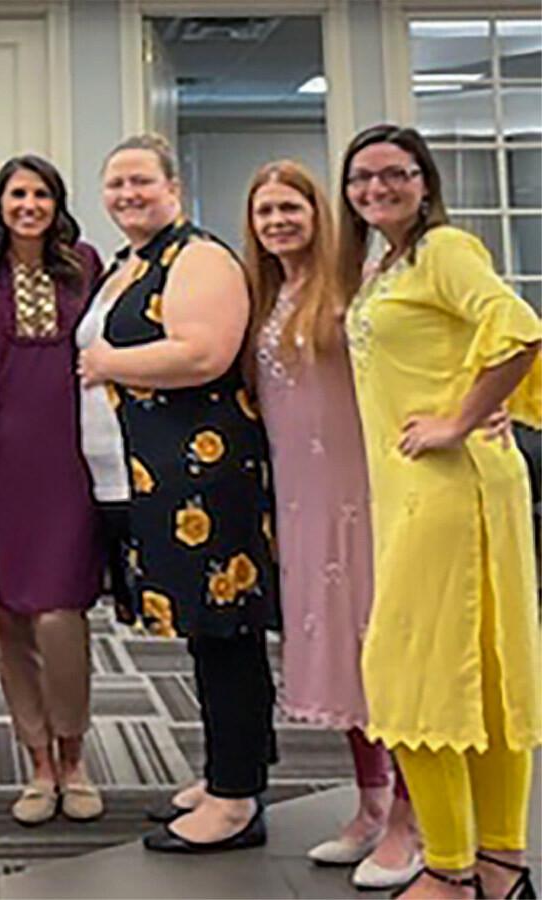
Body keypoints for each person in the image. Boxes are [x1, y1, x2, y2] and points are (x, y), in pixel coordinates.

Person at [339, 124, 541, 900]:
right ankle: (501, 866)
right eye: (361, 178)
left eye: (395, 174)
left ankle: (451, 870)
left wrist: (462, 417)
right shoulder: (388, 265)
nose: (376, 189)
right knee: (473, 676)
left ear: (425, 181)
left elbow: (518, 330)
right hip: (422, 489)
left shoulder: (447, 249)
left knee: (410, 674)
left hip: (449, 483)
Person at [78, 134, 279, 853]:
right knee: (205, 628)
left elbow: (203, 352)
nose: (127, 195)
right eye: (114, 184)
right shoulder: (133, 262)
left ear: (174, 188)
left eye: (140, 181)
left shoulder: (200, 256)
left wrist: (106, 361)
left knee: (226, 628)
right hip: (155, 476)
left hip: (208, 472)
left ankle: (236, 798)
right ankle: (230, 769)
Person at [243, 159, 422, 889]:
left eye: (291, 208)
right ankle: (371, 800)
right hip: (299, 497)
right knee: (341, 650)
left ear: (318, 213)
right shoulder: (268, 293)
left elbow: (423, 353)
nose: (279, 222)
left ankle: (414, 817)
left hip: (362, 488)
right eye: (264, 213)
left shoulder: (358, 284)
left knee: (382, 648)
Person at [0, 155, 105, 826]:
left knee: (60, 614)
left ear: (58, 201)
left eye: (41, 192)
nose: (29, 204)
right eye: (17, 193)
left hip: (69, 461)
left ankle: (75, 755)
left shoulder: (86, 263)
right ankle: (38, 765)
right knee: (9, 617)